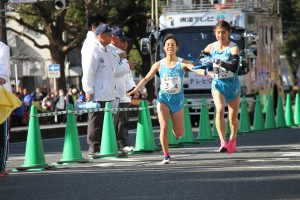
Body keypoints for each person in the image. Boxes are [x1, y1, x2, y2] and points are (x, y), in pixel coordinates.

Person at [127, 34, 213, 164]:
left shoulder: (182, 62)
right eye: (168, 45)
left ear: (177, 47)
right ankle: (166, 155)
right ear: (164, 48)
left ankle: (177, 131)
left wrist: (208, 73)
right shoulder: (159, 64)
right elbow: (145, 79)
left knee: (178, 133)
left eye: (173, 44)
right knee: (164, 126)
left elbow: (196, 69)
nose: (170, 47)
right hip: (163, 99)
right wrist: (134, 90)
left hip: (177, 101)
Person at [202, 20, 240, 154]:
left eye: (224, 33)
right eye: (218, 33)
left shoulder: (233, 47)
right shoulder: (210, 47)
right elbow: (201, 60)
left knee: (232, 119)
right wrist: (204, 63)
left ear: (229, 33)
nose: (221, 36)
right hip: (218, 83)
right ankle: (222, 141)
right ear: (215, 33)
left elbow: (234, 68)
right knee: (219, 110)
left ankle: (233, 138)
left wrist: (219, 62)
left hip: (232, 85)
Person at [81, 24, 116, 157]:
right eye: (109, 35)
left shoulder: (106, 49)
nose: (111, 37)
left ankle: (102, 145)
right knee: (95, 120)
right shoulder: (94, 49)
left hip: (107, 92)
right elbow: (89, 71)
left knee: (104, 121)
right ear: (101, 36)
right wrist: (88, 90)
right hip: (98, 93)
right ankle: (93, 147)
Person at [109, 27, 136, 152]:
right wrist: (126, 64)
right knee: (119, 121)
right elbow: (115, 71)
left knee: (123, 121)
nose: (126, 44)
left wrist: (132, 88)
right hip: (116, 92)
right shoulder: (111, 52)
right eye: (123, 41)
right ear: (114, 39)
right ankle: (121, 144)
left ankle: (124, 143)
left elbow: (127, 75)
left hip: (124, 92)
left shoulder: (119, 53)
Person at [0, 41, 11, 176]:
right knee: (3, 134)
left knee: (2, 134)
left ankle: (1, 166)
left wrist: (2, 76)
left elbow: (3, 67)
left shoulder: (2, 47)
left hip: (2, 98)